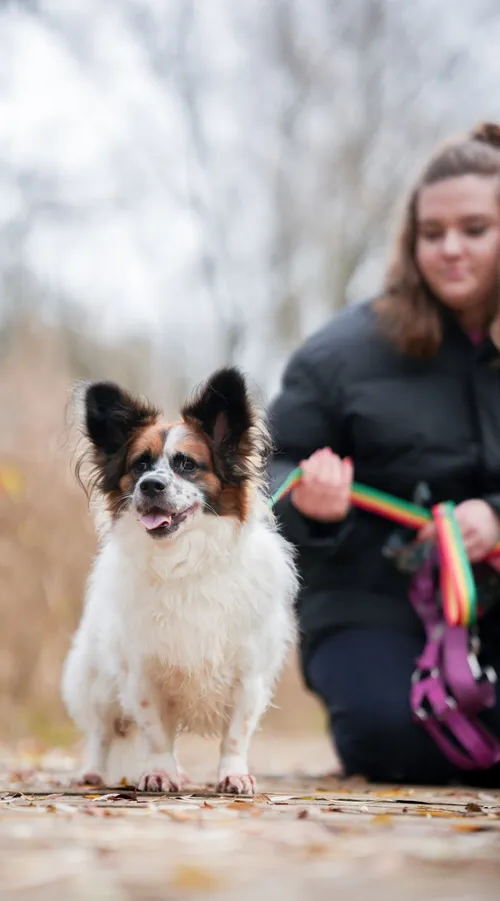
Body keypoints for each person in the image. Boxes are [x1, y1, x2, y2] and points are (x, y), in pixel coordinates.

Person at [268, 122, 500, 786]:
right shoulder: (337, 355)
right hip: (369, 599)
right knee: (389, 735)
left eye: (475, 229)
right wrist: (311, 506)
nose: (450, 249)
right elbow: (264, 471)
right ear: (411, 240)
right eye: (433, 233)